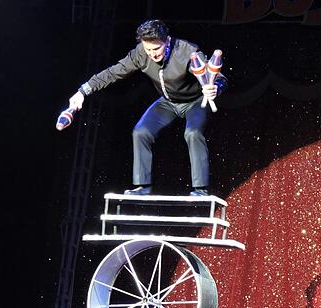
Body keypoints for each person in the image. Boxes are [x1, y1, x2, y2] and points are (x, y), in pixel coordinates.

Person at [68, 19, 227, 197]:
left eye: (156, 49)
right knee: (141, 132)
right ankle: (142, 187)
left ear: (167, 40)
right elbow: (113, 72)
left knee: (192, 133)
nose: (152, 54)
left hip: (196, 101)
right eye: (148, 49)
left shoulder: (187, 51)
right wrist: (82, 91)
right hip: (168, 102)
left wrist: (216, 88)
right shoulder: (140, 53)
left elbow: (218, 77)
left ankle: (200, 189)